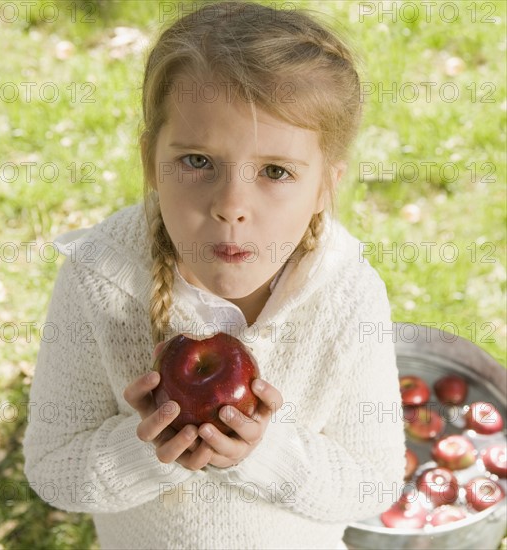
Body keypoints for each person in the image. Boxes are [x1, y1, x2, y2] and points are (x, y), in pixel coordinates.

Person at [23, 2, 406, 549]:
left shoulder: (347, 293)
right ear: (149, 161)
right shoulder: (100, 279)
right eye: (198, 161)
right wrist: (148, 448)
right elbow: (53, 470)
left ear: (326, 185)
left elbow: (373, 483)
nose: (231, 205)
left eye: (275, 171)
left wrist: (265, 452)